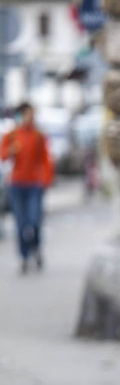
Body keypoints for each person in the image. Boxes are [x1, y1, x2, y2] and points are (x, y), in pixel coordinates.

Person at [0, 102, 53, 273]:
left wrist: (45, 179)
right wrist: (10, 150)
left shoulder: (38, 135)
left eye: (33, 114)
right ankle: (24, 256)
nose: (31, 117)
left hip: (34, 185)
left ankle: (35, 248)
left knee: (35, 220)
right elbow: (2, 155)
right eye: (28, 114)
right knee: (21, 223)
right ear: (21, 115)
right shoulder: (12, 135)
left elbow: (46, 159)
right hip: (16, 185)